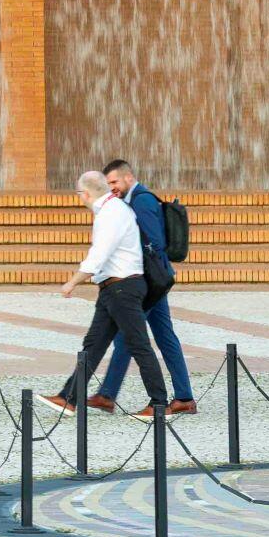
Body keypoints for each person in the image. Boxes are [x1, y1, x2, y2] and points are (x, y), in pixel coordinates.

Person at [43, 169, 169, 420]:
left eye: (79, 194)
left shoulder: (111, 214)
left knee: (139, 344)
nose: (80, 198)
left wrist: (72, 282)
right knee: (94, 344)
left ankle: (159, 404)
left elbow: (99, 255)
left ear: (86, 193)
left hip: (123, 288)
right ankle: (69, 397)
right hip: (112, 289)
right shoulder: (114, 209)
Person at [88, 159, 196, 416]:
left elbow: (155, 243)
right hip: (154, 279)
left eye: (114, 182)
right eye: (108, 184)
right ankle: (184, 397)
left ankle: (108, 395)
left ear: (128, 177)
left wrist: (135, 268)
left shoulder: (142, 200)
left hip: (149, 281)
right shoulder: (131, 200)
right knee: (163, 336)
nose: (111, 187)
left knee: (128, 336)